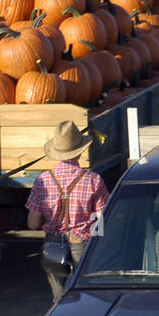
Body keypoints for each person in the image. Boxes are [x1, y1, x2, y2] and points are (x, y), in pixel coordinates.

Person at [26, 121, 110, 302]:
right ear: (80, 151)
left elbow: (32, 224)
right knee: (87, 294)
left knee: (60, 298)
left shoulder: (43, 181)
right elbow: (102, 221)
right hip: (83, 242)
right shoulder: (93, 180)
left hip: (53, 244)